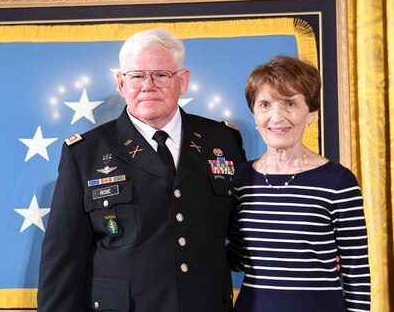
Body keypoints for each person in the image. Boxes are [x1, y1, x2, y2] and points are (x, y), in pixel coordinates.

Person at [37, 28, 247, 312]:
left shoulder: (222, 142)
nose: (148, 85)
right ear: (121, 83)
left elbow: (248, 229)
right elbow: (62, 260)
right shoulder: (85, 154)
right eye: (136, 76)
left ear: (183, 81)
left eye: (161, 74)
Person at [230, 55, 370, 312]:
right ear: (254, 115)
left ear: (311, 114)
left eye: (290, 104)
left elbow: (356, 270)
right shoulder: (240, 179)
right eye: (265, 104)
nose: (276, 117)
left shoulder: (338, 181)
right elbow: (238, 258)